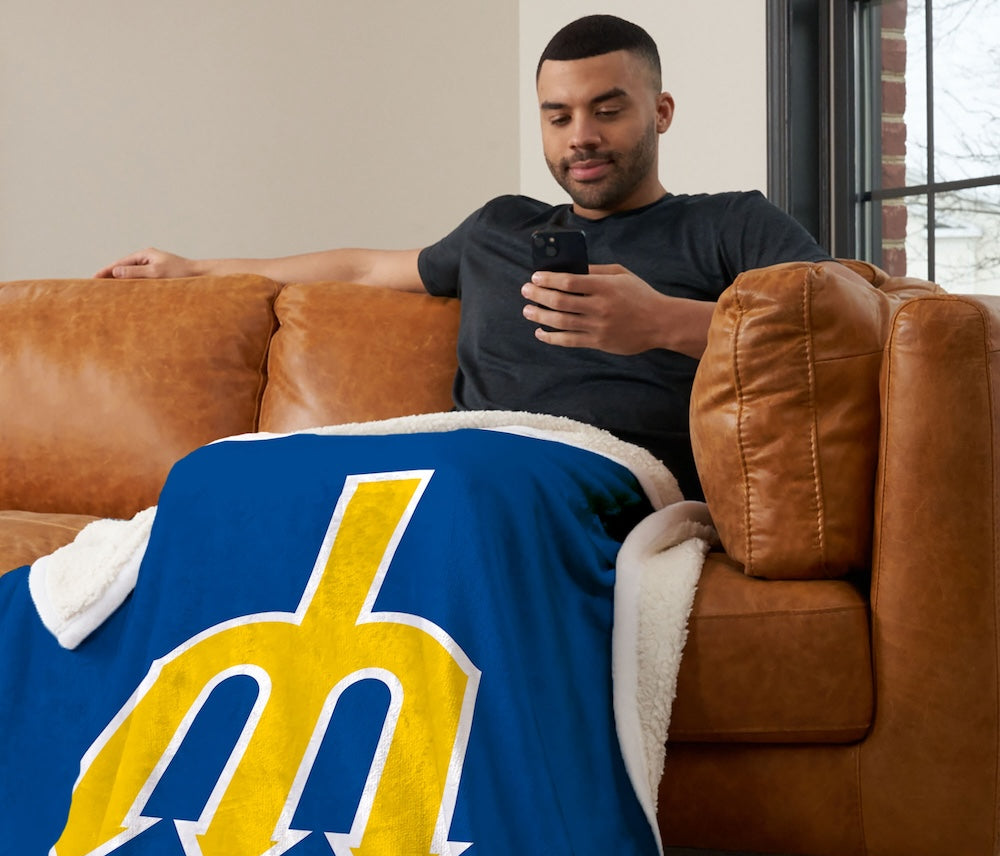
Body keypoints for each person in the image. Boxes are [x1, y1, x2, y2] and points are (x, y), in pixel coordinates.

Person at [96, 14, 832, 499]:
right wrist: (194, 269)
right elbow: (362, 269)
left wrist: (663, 322)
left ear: (660, 113)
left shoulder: (730, 223)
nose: (581, 135)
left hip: (615, 476)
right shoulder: (499, 228)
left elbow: (842, 326)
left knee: (459, 485)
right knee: (223, 478)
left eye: (607, 110)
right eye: (558, 116)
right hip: (474, 458)